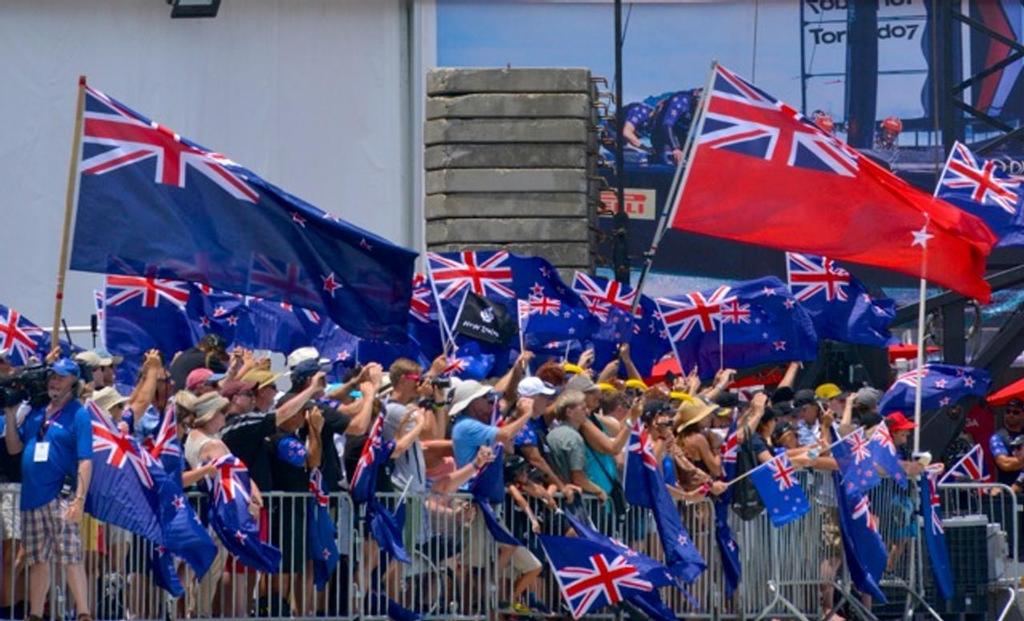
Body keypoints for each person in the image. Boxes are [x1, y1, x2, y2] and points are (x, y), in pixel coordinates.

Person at [3, 358, 93, 621]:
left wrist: (79, 500)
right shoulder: (37, 413)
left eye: (61, 377)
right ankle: (35, 614)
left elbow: (86, 459)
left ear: (73, 381)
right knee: (38, 559)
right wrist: (9, 413)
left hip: (60, 496)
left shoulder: (78, 413)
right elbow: (14, 448)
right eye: (52, 376)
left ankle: (84, 613)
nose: (54, 381)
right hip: (32, 497)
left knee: (70, 556)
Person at [651, 88, 701, 166]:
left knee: (698, 158)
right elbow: (666, 124)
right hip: (663, 134)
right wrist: (675, 148)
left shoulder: (704, 110)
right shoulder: (681, 100)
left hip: (682, 135)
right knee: (671, 159)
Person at [990, 398, 1024, 486]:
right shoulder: (998, 437)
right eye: (1008, 411)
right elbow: (1005, 464)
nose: (1011, 414)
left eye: (1016, 412)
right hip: (1009, 492)